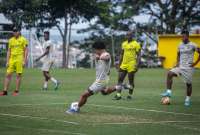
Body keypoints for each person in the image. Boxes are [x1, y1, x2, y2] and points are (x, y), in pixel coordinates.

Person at [66, 41, 117, 114]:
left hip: (100, 81)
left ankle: (75, 109)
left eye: (95, 50)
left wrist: (101, 57)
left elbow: (107, 57)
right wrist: (98, 58)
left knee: (84, 95)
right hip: (103, 80)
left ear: (99, 49)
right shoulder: (98, 55)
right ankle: (118, 87)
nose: (95, 52)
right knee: (104, 92)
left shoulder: (106, 54)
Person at [161, 30, 200, 106]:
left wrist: (195, 63)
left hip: (188, 68)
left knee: (188, 84)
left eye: (184, 36)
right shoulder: (180, 45)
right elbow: (178, 54)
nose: (182, 38)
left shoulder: (193, 45)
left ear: (188, 36)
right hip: (180, 67)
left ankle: (187, 99)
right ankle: (168, 92)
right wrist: (177, 63)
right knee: (170, 73)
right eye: (181, 36)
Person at [0, 27, 28, 96]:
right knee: (8, 75)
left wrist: (24, 60)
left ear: (19, 32)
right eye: (14, 31)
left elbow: (26, 50)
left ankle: (16, 91)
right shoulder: (11, 40)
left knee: (18, 75)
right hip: (12, 59)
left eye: (16, 31)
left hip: (19, 59)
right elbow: (9, 51)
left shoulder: (23, 39)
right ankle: (5, 91)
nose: (14, 32)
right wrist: (7, 61)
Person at [114, 31, 141, 100]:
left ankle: (129, 95)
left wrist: (137, 64)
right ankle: (118, 95)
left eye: (129, 35)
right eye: (127, 35)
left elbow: (139, 55)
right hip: (124, 64)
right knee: (120, 79)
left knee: (130, 81)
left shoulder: (136, 44)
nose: (128, 36)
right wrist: (119, 64)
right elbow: (122, 54)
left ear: (132, 36)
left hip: (132, 64)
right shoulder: (124, 44)